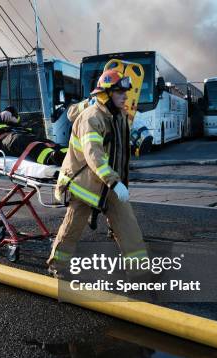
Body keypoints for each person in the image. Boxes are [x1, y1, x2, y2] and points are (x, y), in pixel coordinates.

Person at [47, 69, 148, 278]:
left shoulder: (119, 115)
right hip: (83, 184)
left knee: (129, 226)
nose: (126, 96)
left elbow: (118, 150)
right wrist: (114, 182)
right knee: (72, 229)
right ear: (106, 94)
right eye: (120, 92)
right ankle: (57, 267)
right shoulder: (91, 118)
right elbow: (94, 155)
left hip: (108, 183)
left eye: (125, 92)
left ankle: (140, 272)